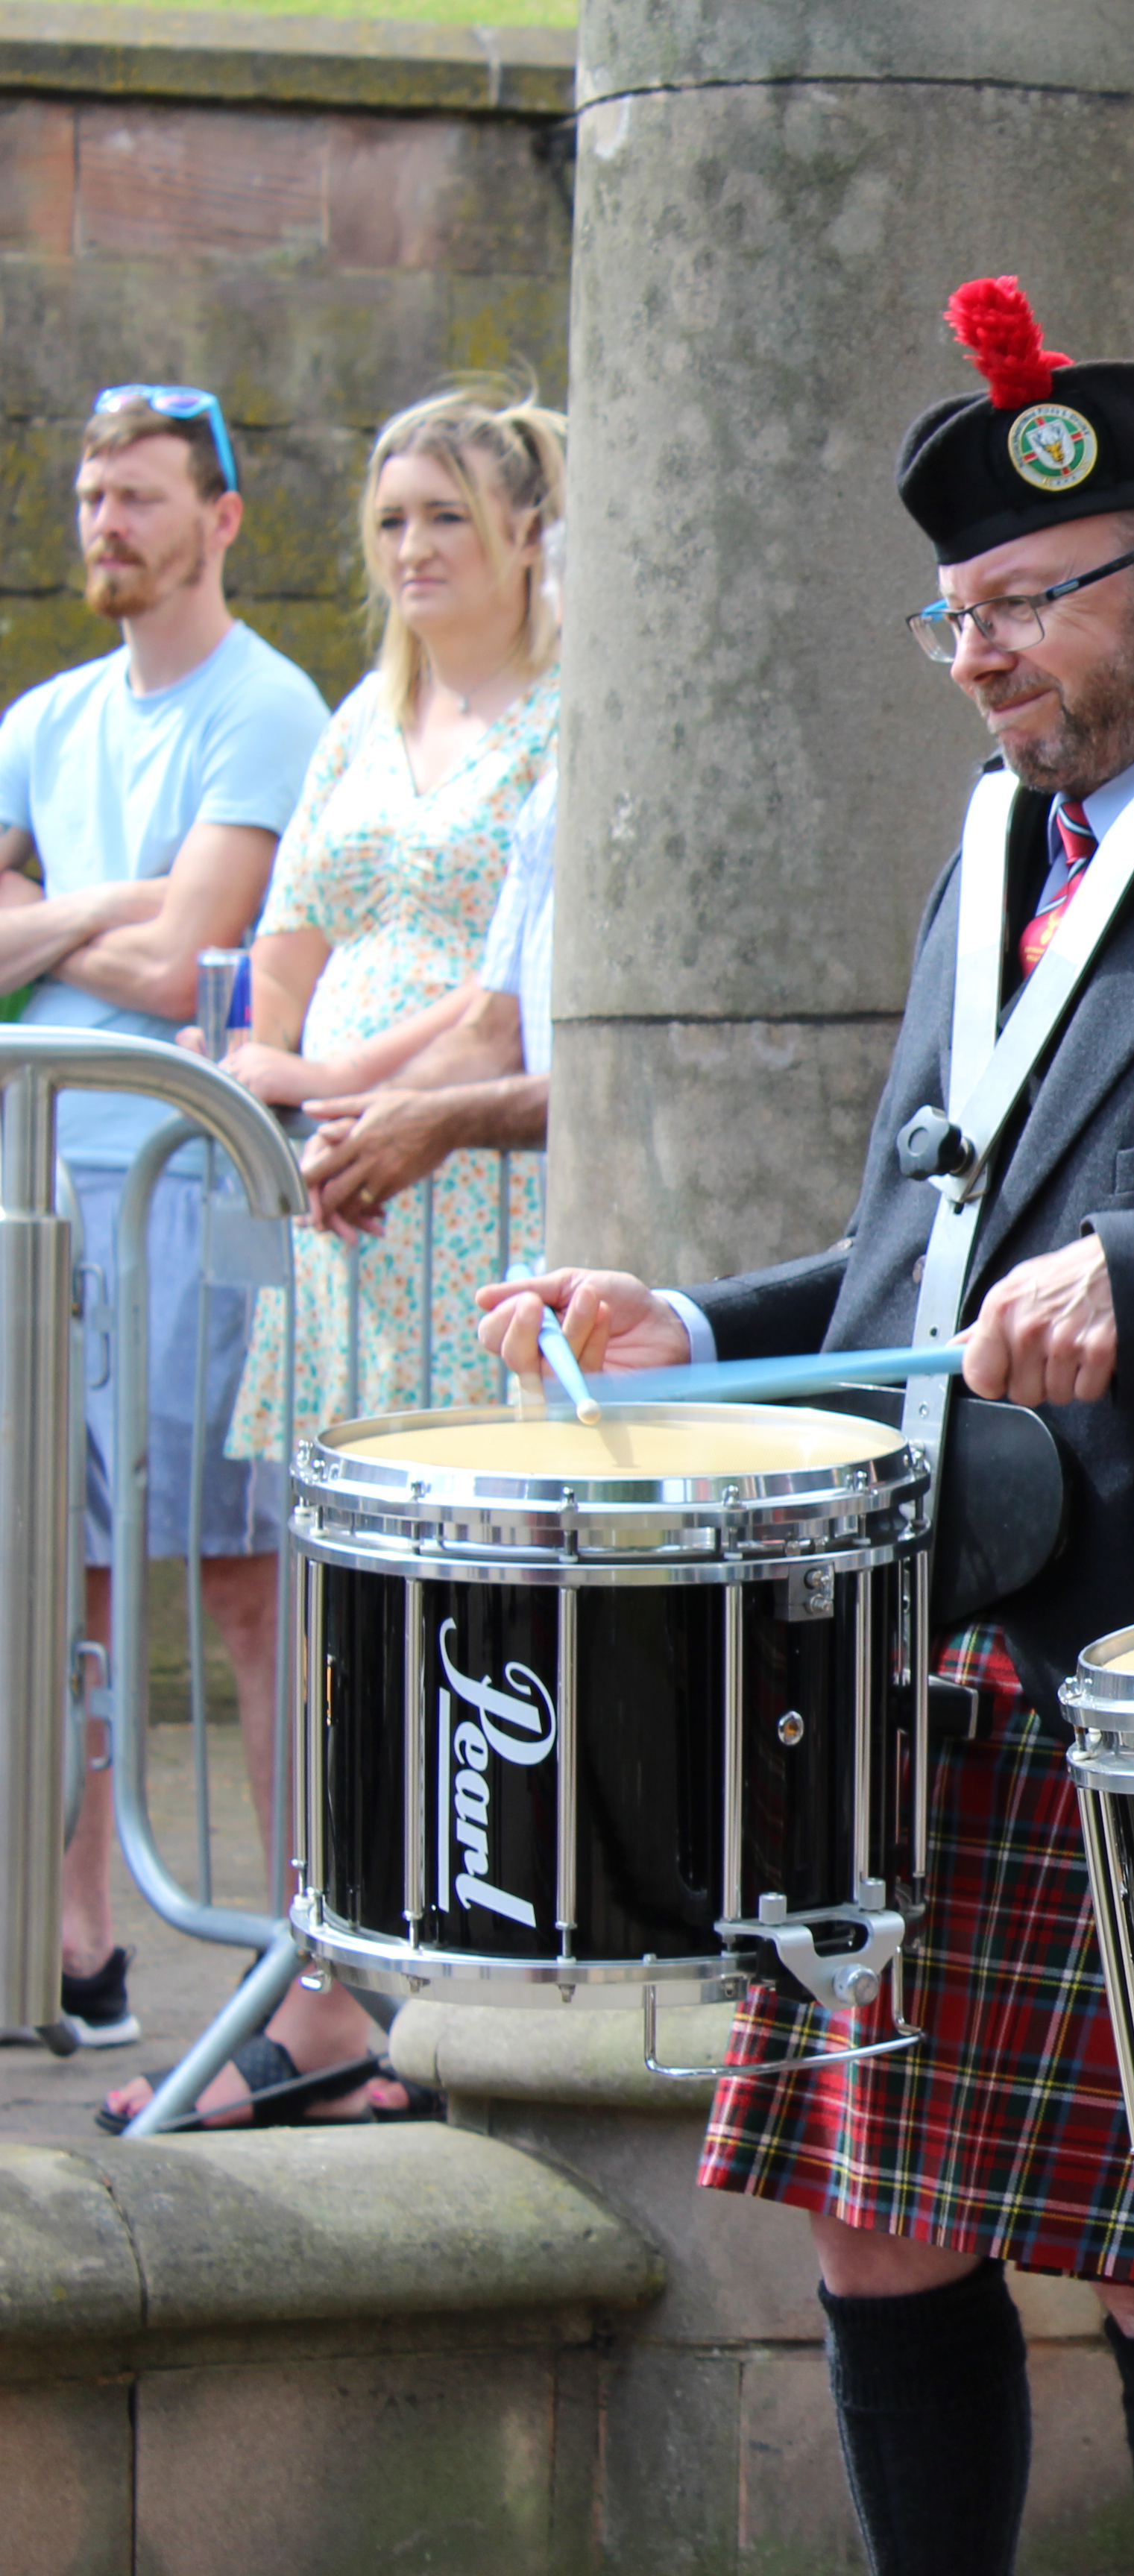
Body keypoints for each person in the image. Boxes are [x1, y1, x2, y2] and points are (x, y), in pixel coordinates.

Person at [483, 277, 1134, 2576]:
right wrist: (696, 1317)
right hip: (924, 1643)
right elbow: (934, 1267)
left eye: (1024, 607)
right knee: (877, 2220)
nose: (977, 655)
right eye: (952, 612)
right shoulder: (997, 871)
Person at [0, 385, 328, 2065]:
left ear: (220, 518)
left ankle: (290, 1968)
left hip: (195, 1189)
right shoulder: (45, 717)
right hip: (43, 1192)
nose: (106, 522)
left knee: (238, 1578)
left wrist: (61, 925)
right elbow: (151, 948)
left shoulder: (266, 707)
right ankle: (72, 1947)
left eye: (140, 496)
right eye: (89, 493)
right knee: (49, 1577)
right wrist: (123, 925)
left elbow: (208, 946)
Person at [218, 383, 563, 1432]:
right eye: (391, 521)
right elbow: (290, 934)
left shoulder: (572, 715)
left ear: (527, 530)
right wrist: (257, 1055)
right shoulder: (363, 715)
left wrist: (335, 1079)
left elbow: (509, 975)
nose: (412, 545)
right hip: (341, 1179)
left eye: (445, 514)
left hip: (471, 1169)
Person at [291, 765, 554, 1240]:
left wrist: (445, 1120)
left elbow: (642, 1081)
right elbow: (494, 1034)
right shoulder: (551, 800)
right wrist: (366, 1124)